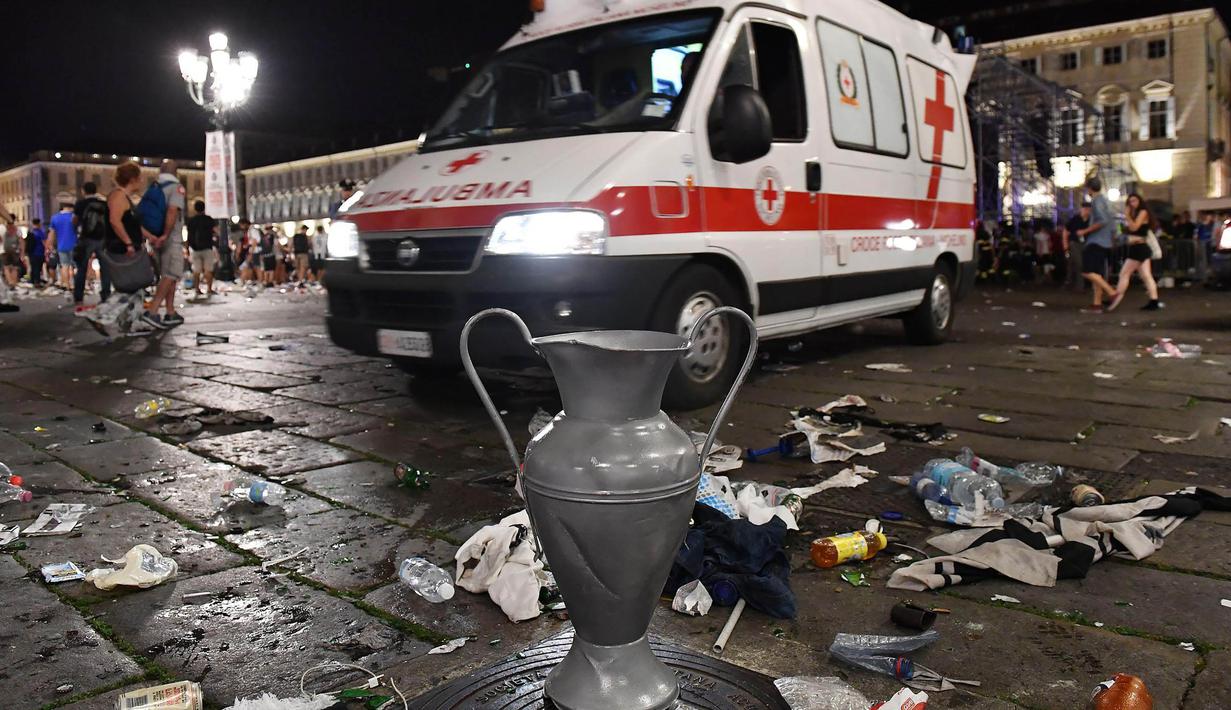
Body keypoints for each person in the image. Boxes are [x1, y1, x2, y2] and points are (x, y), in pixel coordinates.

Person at [141, 159, 186, 328]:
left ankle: (170, 312)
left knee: (168, 275)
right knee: (171, 274)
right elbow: (173, 210)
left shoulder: (153, 187)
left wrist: (152, 237)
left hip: (154, 237)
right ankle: (152, 311)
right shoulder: (176, 187)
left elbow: (142, 214)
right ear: (176, 171)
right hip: (170, 238)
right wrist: (166, 235)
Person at [1107, 193, 1161, 311]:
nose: (1132, 204)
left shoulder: (1142, 212)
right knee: (1146, 276)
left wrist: (1126, 215)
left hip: (1139, 248)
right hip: (1137, 247)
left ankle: (1116, 296)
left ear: (1139, 201)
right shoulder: (1134, 214)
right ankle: (1154, 300)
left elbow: (1134, 227)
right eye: (1130, 201)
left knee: (1124, 273)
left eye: (1134, 201)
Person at [1076, 177, 1118, 311]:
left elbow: (1102, 220)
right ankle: (1097, 303)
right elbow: (1111, 223)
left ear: (1089, 188)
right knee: (1097, 273)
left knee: (1087, 271)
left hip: (1096, 241)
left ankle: (1111, 292)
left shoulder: (1096, 201)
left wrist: (1085, 231)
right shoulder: (1106, 201)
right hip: (1106, 242)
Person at [72, 182, 112, 313]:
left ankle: (79, 297)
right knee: (105, 268)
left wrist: (77, 232)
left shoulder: (80, 204)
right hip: (102, 238)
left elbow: (75, 221)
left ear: (84, 191)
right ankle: (105, 294)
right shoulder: (103, 204)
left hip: (86, 238)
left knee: (82, 268)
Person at [186, 200, 218, 299]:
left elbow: (188, 236)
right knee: (208, 269)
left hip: (195, 249)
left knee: (196, 270)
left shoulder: (191, 221)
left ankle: (197, 289)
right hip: (207, 247)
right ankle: (209, 288)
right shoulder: (209, 219)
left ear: (195, 209)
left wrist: (187, 248)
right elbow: (216, 232)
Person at [48, 203, 76, 290]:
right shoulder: (73, 216)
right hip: (74, 244)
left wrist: (50, 245)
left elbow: (52, 233)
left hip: (61, 246)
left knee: (64, 265)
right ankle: (75, 284)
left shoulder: (55, 218)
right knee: (76, 266)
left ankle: (66, 285)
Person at [25, 218, 47, 287]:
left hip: (31, 253)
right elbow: (44, 243)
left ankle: (32, 280)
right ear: (39, 223)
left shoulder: (30, 232)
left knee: (33, 267)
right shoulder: (40, 232)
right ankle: (37, 282)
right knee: (38, 268)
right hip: (39, 252)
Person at [1, 213, 20, 288]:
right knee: (14, 267)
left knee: (6, 267)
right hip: (15, 250)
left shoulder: (2, 228)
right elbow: (21, 241)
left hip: (3, 250)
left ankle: (10, 282)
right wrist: (21, 252)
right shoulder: (17, 229)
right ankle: (14, 283)